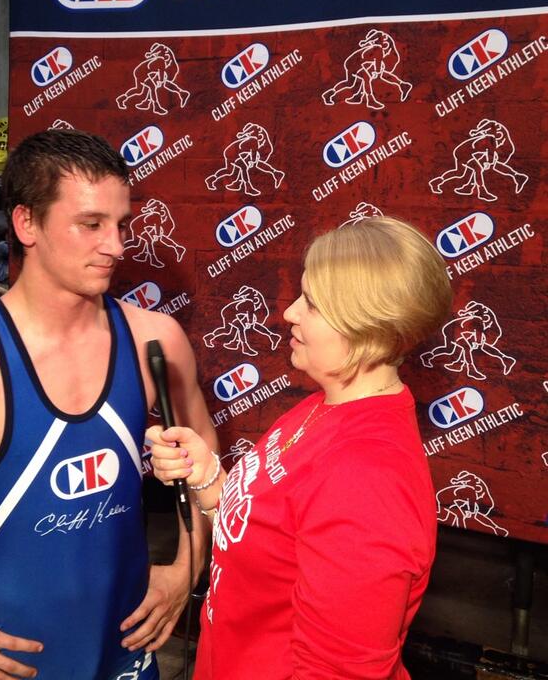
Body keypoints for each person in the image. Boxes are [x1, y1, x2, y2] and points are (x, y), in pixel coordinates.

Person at [0, 130, 217, 680]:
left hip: (129, 656)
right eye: (91, 224)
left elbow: (206, 452)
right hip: (16, 664)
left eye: (121, 225)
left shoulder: (154, 341)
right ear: (26, 224)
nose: (116, 246)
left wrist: (188, 564)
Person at [148, 216, 453, 680]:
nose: (289, 312)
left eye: (310, 303)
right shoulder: (323, 405)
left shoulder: (366, 479)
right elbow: (265, 532)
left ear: (367, 324)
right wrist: (207, 475)